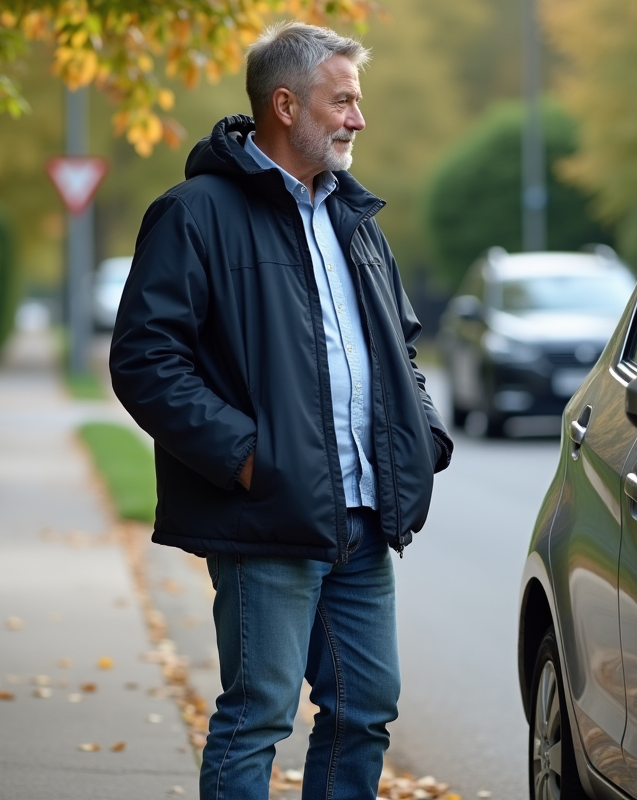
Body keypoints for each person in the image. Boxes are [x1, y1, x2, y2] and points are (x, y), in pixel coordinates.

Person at [108, 21, 453, 800]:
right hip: (267, 514)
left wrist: (420, 433)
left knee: (365, 710)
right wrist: (246, 455)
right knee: (257, 715)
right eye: (344, 101)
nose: (358, 119)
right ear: (287, 105)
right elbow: (145, 359)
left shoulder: (355, 219)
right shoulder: (194, 213)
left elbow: (402, 345)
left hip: (365, 518)